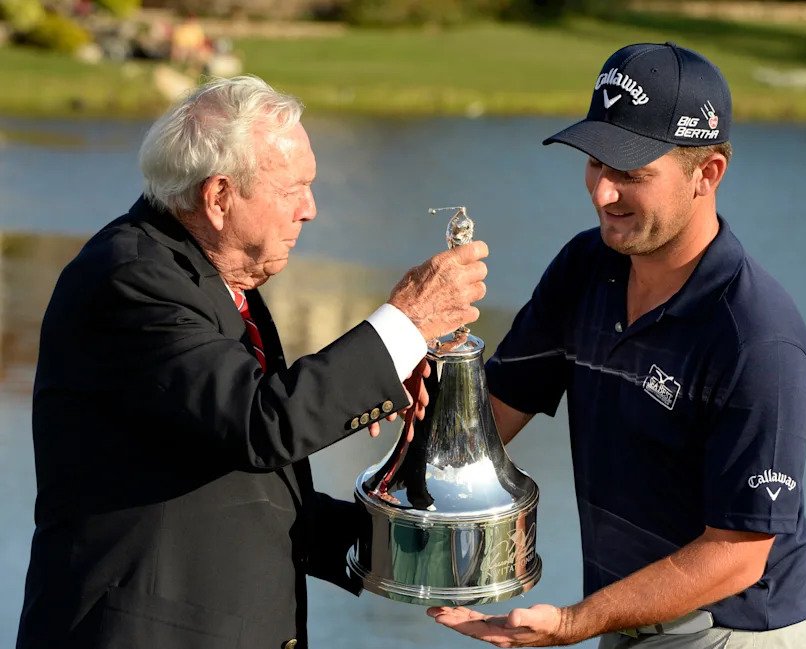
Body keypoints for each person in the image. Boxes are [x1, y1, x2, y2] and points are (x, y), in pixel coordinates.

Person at [15, 75, 488, 649]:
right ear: (218, 197)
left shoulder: (220, 281)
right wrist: (404, 323)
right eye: (295, 189)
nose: (310, 210)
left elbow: (253, 492)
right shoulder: (131, 279)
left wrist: (423, 553)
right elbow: (264, 423)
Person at [427, 42, 806, 649]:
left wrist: (573, 623)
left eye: (631, 174)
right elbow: (488, 418)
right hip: (626, 626)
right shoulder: (585, 268)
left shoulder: (758, 342)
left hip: (731, 636)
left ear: (708, 174)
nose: (601, 194)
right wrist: (398, 399)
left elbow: (737, 555)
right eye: (596, 163)